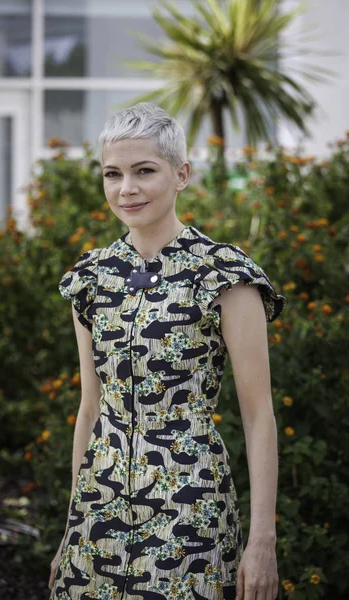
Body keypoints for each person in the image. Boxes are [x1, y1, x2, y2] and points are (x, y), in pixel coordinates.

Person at [49, 102, 286, 600]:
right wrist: (71, 527)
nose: (126, 188)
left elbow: (259, 414)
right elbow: (91, 407)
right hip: (99, 509)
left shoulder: (225, 275)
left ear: (181, 174)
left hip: (191, 511)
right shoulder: (92, 278)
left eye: (144, 171)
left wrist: (263, 540)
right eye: (112, 174)